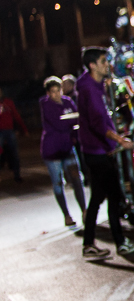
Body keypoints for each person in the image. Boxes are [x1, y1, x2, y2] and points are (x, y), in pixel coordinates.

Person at [77, 47, 134, 260]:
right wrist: (120, 140)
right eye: (104, 61)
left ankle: (88, 244)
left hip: (98, 149)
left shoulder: (94, 85)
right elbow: (97, 122)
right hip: (98, 151)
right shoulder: (89, 89)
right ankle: (121, 243)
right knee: (114, 196)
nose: (108, 64)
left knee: (97, 197)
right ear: (93, 65)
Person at [39, 76, 85, 226]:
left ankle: (84, 211)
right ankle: (66, 215)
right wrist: (69, 121)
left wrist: (71, 125)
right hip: (52, 150)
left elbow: (77, 118)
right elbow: (57, 122)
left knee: (77, 179)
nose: (56, 94)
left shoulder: (68, 102)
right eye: (52, 92)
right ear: (48, 93)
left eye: (57, 90)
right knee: (58, 183)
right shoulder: (45, 104)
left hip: (68, 146)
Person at [0, 85, 28, 182]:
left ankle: (17, 175)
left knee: (14, 153)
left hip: (9, 130)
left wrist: (23, 129)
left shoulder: (8, 102)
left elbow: (16, 116)